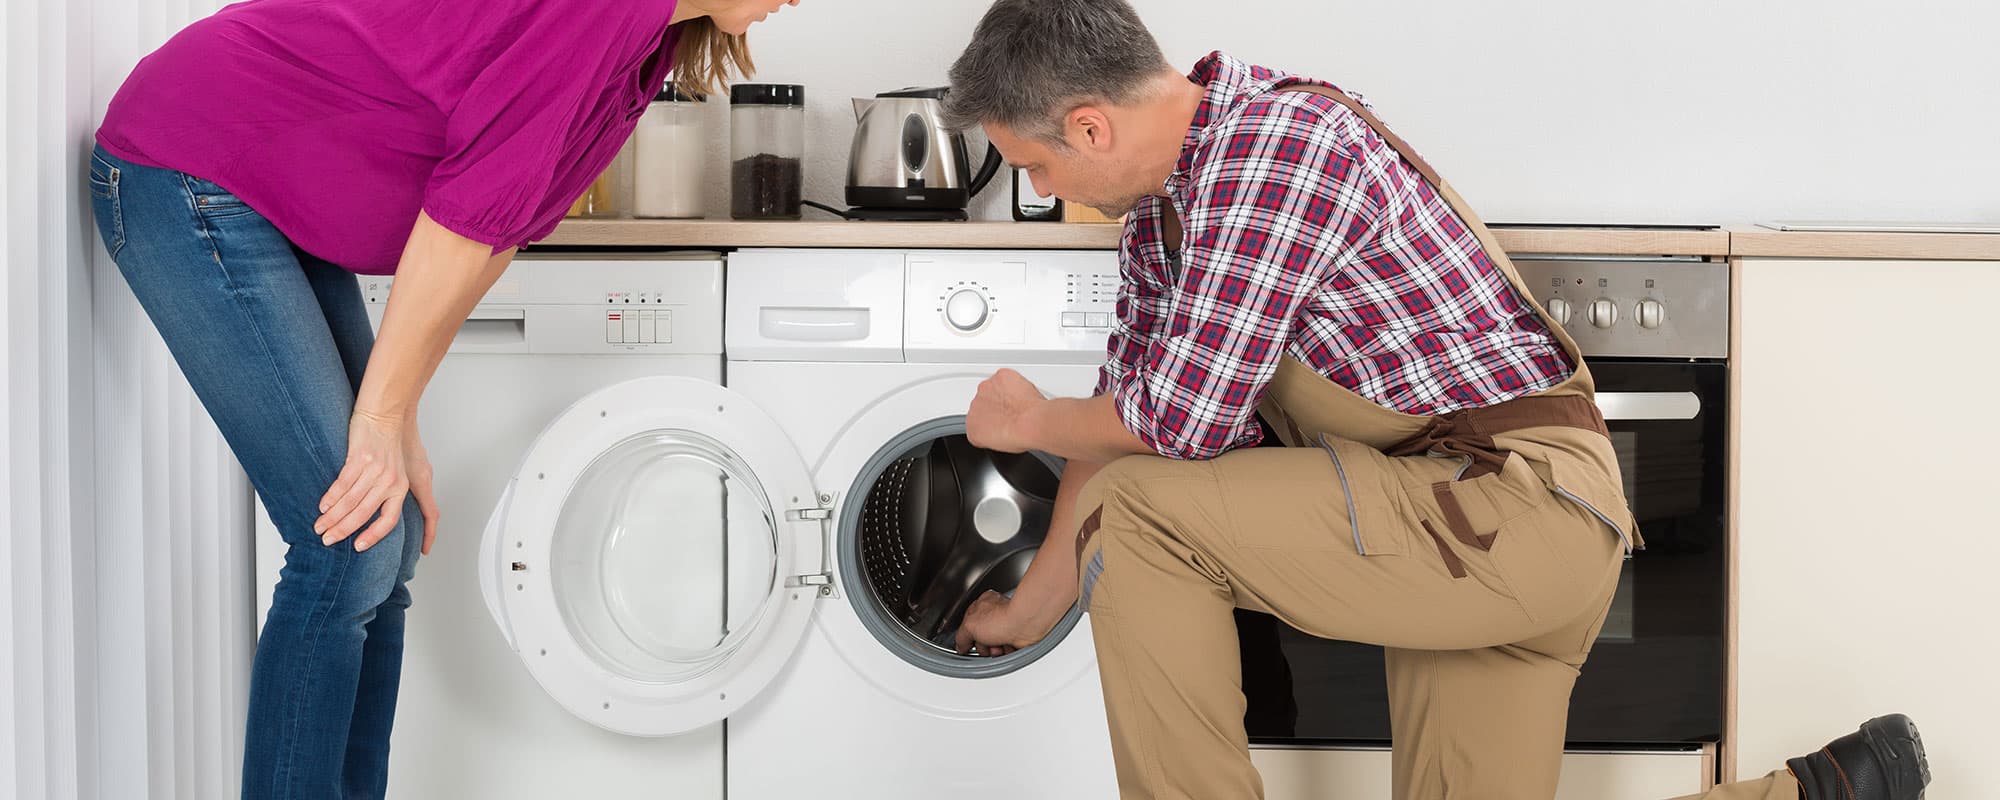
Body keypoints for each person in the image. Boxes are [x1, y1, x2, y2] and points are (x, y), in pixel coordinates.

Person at [942, 2, 1930, 799]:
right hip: (1462, 525)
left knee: (1143, 514)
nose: (1043, 186)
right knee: (1137, 491)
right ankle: (1829, 788)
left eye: (1035, 166)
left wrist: (1026, 419)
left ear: (1087, 124)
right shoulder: (1164, 218)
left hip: (1505, 509)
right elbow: (1128, 416)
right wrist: (1028, 609)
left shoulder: (1272, 147)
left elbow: (1177, 427)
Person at [86, 1, 800, 796]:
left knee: (390, 520)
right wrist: (378, 416)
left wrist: (400, 419)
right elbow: (462, 221)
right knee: (343, 542)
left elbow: (499, 225)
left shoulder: (648, 44)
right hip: (192, 163)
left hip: (269, 192)